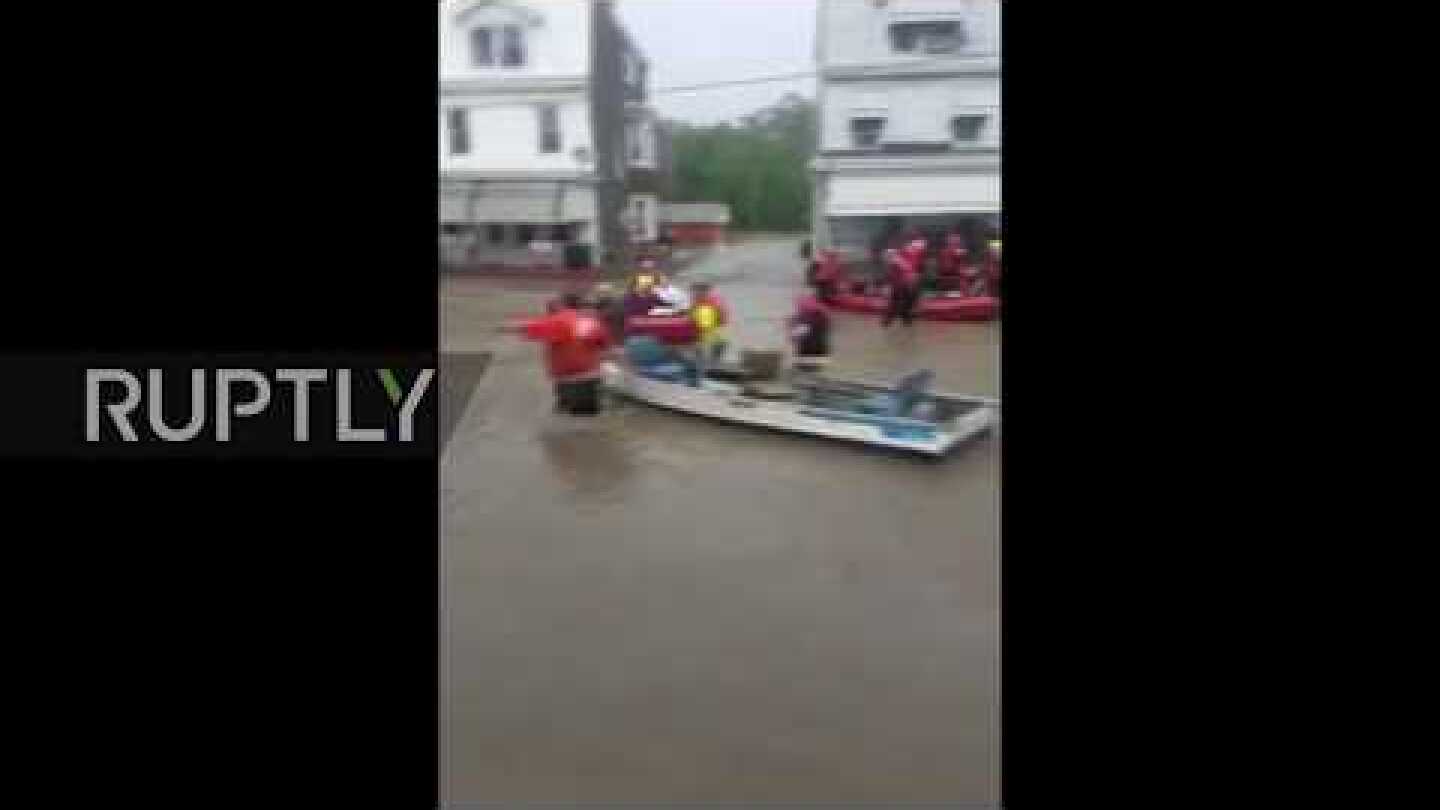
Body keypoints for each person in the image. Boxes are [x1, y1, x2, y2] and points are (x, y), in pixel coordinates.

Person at [505, 292, 611, 415]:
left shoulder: (558, 321)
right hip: (590, 377)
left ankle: (566, 403)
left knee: (570, 413)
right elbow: (603, 345)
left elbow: (526, 327)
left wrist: (504, 327)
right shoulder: (589, 321)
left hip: (566, 379)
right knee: (585, 413)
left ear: (563, 305)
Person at [688, 281, 728, 383]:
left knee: (714, 348)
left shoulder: (714, 302)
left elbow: (722, 319)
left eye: (700, 291)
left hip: (710, 333)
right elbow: (690, 319)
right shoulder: (695, 303)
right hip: (700, 334)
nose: (697, 293)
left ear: (707, 291)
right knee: (699, 354)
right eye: (696, 291)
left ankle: (708, 372)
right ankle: (703, 373)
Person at [881, 244, 922, 328]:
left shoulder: (896, 262)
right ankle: (903, 323)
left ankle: (888, 324)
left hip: (902, 286)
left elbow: (906, 273)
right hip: (903, 286)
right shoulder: (898, 261)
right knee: (902, 306)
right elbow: (908, 272)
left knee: (898, 306)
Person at [789, 293, 831, 366]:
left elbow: (794, 338)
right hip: (822, 353)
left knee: (803, 368)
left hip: (806, 354)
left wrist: (791, 326)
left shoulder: (803, 321)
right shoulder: (824, 319)